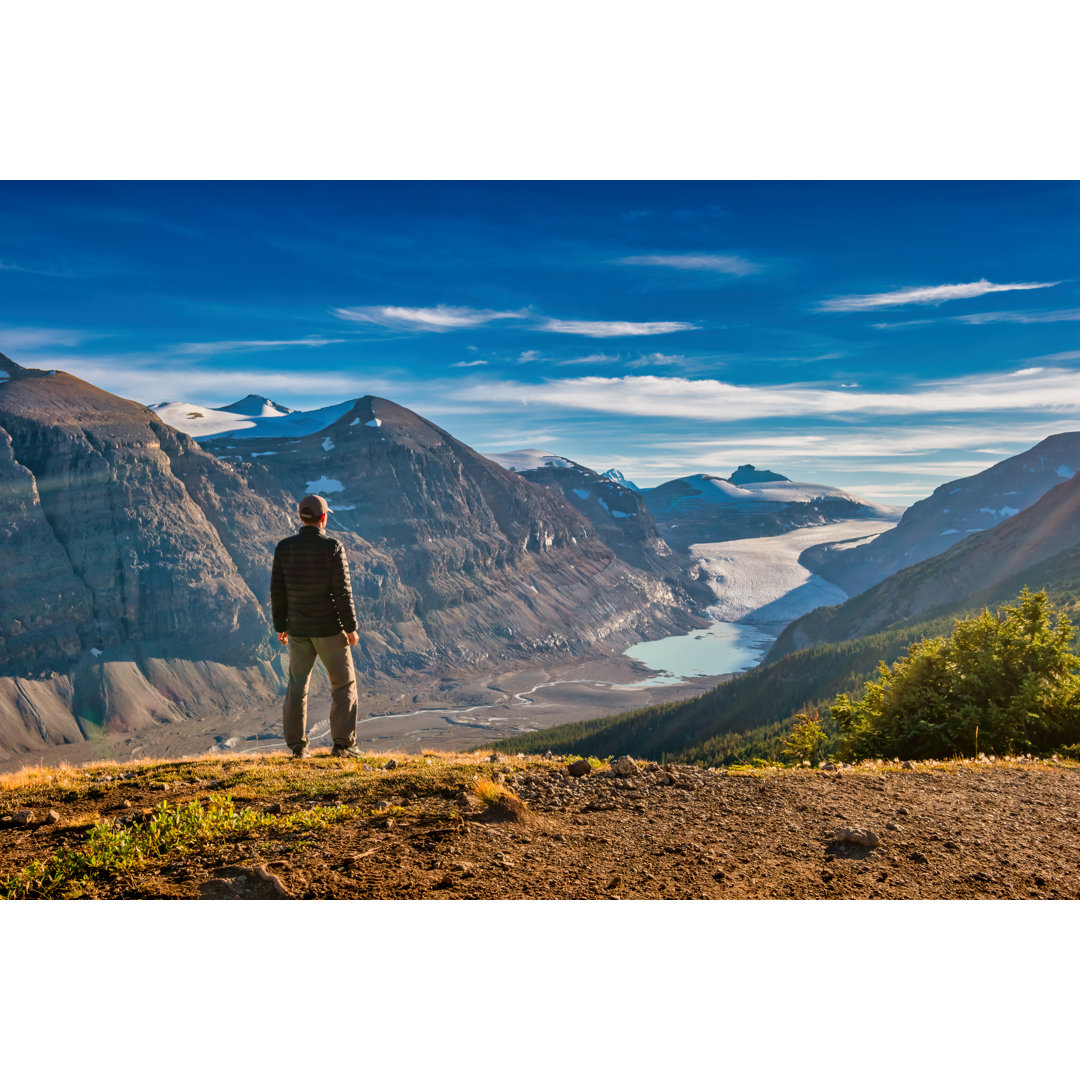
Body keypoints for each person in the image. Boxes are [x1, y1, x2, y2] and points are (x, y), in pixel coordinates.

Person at [270, 493, 361, 758]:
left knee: (297, 686)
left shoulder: (284, 548)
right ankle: (343, 745)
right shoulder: (333, 547)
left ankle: (298, 747)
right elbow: (342, 592)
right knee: (343, 684)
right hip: (329, 630)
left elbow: (278, 591)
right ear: (323, 518)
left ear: (300, 517)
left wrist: (281, 625)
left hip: (298, 630)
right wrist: (350, 627)